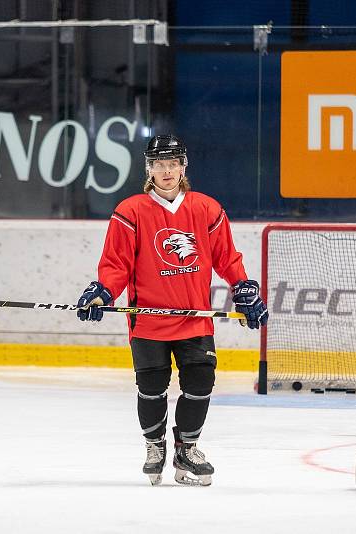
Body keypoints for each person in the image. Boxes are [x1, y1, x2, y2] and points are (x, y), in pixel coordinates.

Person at [76, 134, 268, 486]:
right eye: (160, 164)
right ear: (149, 169)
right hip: (148, 322)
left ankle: (187, 449)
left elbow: (227, 257)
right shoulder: (130, 211)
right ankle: (155, 447)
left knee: (201, 382)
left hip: (194, 320)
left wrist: (242, 287)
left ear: (183, 166)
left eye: (173, 164)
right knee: (151, 389)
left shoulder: (206, 208)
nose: (167, 171)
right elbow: (116, 265)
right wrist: (103, 292)